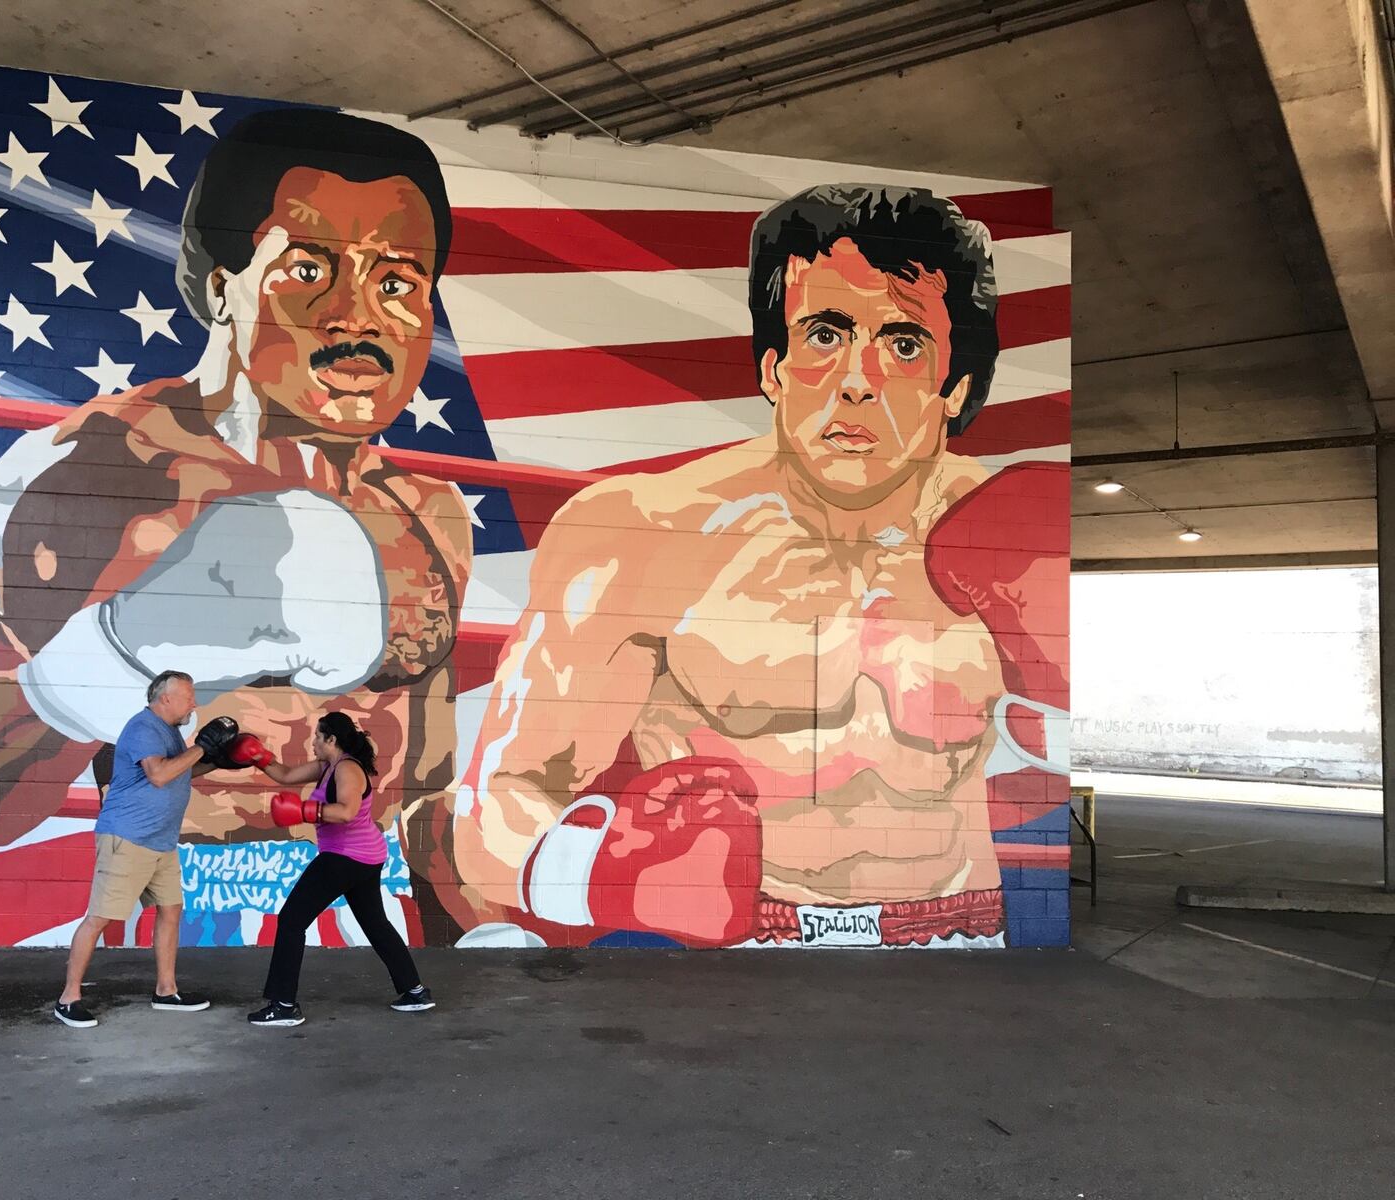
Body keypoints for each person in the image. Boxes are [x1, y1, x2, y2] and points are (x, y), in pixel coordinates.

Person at [409, 183, 1068, 949]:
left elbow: (1055, 745)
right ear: (773, 368)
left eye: (904, 343)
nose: (858, 379)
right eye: (824, 334)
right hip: (731, 945)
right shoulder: (640, 533)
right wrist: (590, 873)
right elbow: (501, 799)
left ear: (954, 386)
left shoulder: (1010, 532)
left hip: (957, 931)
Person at [0, 110, 472, 913]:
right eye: (309, 271)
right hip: (179, 910)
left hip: (359, 898)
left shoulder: (427, 513)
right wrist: (109, 658)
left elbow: (425, 794)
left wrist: (465, 944)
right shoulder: (99, 472)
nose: (359, 316)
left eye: (397, 283)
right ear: (222, 286)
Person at [54, 670, 235, 1027]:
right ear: (165, 698)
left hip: (160, 842)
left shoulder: (168, 732)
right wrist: (203, 746)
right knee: (100, 918)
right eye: (188, 697)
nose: (194, 703)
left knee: (171, 910)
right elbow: (159, 774)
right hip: (128, 838)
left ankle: (166, 991)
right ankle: (68, 997)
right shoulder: (143, 727)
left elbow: (179, 771)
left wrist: (220, 761)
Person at [246, 712, 434, 1026]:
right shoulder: (326, 767)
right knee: (375, 923)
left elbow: (346, 811)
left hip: (347, 857)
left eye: (318, 737)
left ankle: (283, 1006)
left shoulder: (347, 768)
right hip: (364, 857)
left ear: (331, 739)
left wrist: (304, 811)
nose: (313, 742)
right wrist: (257, 756)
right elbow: (285, 775)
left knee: (292, 920)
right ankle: (414, 992)